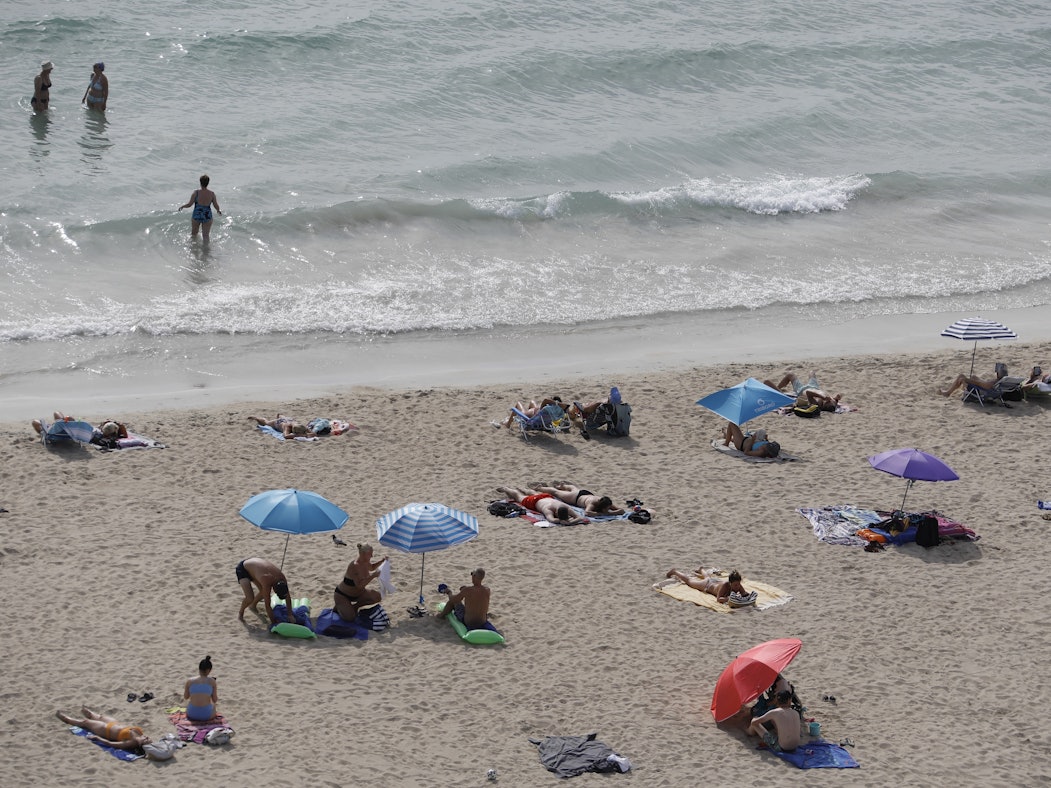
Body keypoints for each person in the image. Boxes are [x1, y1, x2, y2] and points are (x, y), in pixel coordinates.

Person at [333, 543, 389, 621]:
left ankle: (354, 607)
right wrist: (373, 576)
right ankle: (339, 606)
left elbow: (372, 567)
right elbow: (359, 585)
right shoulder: (355, 566)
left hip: (358, 594)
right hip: (343, 595)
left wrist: (382, 561)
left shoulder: (366, 561)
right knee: (350, 618)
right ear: (363, 554)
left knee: (377, 597)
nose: (372, 556)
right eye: (370, 554)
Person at [55, 707, 151, 751]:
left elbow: (113, 744)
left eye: (146, 740)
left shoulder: (132, 742)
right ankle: (91, 715)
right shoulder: (139, 734)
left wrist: (97, 738)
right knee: (98, 716)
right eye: (148, 738)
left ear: (140, 744)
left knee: (85, 722)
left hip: (105, 730)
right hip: (115, 723)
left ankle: (67, 719)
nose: (146, 737)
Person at [236, 557, 293, 624]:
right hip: (243, 569)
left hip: (255, 569)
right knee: (250, 598)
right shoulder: (267, 582)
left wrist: (290, 615)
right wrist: (274, 622)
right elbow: (267, 605)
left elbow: (288, 597)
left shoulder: (282, 578)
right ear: (274, 589)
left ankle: (252, 605)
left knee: (263, 593)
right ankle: (241, 613)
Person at [496, 486, 588, 525]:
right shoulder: (548, 509)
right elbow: (551, 519)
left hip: (546, 497)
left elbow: (580, 517)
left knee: (534, 493)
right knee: (518, 496)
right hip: (534, 501)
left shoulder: (565, 507)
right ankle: (506, 489)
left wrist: (569, 522)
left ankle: (523, 489)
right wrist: (566, 522)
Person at [530, 482, 625, 517]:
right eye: (607, 508)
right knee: (556, 493)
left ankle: (563, 486)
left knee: (574, 489)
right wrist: (603, 513)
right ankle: (540, 488)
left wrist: (611, 512)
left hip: (586, 493)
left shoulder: (606, 502)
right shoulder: (592, 503)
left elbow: (621, 510)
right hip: (576, 498)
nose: (608, 509)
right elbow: (587, 513)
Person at [764, 371, 842, 410]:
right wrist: (837, 397)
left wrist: (822, 397)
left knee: (790, 374)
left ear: (824, 406)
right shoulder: (832, 403)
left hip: (801, 390)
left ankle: (777, 389)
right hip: (814, 387)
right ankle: (777, 389)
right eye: (830, 402)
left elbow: (808, 393)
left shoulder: (816, 403)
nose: (828, 401)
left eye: (827, 403)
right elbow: (836, 398)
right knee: (812, 372)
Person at [665, 567, 747, 604]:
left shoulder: (738, 585)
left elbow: (744, 594)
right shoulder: (725, 585)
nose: (737, 586)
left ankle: (701, 570)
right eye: (735, 585)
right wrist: (727, 599)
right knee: (690, 581)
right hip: (708, 585)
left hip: (715, 581)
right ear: (730, 583)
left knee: (708, 577)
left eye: (738, 584)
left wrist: (745, 596)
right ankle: (675, 572)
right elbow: (719, 599)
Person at [178, 174, 222, 241]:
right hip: (207, 215)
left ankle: (194, 249)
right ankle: (206, 250)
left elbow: (190, 204)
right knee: (206, 235)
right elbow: (215, 205)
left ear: (200, 182)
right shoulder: (212, 194)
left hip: (197, 215)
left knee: (194, 234)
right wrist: (218, 210)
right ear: (208, 183)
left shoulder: (196, 193)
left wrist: (182, 206)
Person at [938, 362, 1008, 397]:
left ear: (998, 373)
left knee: (961, 376)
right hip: (985, 389)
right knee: (973, 377)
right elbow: (984, 384)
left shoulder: (993, 383)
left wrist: (966, 380)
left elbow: (982, 385)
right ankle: (961, 387)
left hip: (980, 391)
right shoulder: (1003, 381)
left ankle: (947, 393)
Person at [183, 655, 218, 722]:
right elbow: (215, 700)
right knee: (214, 706)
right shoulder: (212, 682)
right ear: (209, 670)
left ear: (199, 668)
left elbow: (186, 697)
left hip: (191, 714)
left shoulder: (190, 681)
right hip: (207, 716)